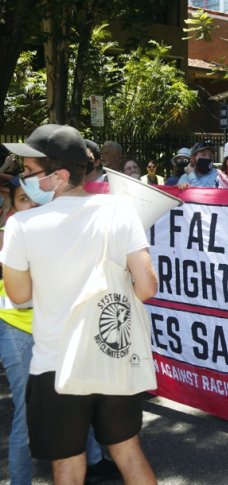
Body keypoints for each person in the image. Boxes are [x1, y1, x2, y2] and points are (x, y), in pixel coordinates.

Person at [1, 124, 158, 484]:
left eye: (28, 171)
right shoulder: (120, 210)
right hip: (113, 357)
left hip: (56, 365)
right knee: (128, 451)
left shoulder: (21, 225)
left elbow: (20, 296)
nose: (20, 178)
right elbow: (147, 287)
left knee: (67, 464)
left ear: (58, 175)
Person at [0, 180, 37, 485]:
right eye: (24, 199)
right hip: (17, 328)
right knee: (26, 415)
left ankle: (90, 463)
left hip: (52, 329)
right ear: (13, 207)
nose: (32, 205)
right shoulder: (10, 234)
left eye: (36, 199)